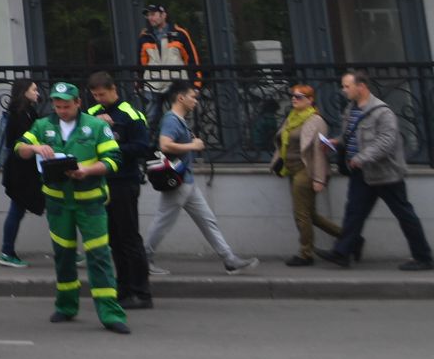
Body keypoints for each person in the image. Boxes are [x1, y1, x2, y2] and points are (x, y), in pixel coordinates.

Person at [15, 82, 129, 333]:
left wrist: (87, 170)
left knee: (99, 256)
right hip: (58, 204)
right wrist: (34, 147)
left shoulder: (97, 127)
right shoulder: (43, 126)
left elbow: (113, 160)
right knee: (64, 256)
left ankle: (110, 313)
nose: (61, 110)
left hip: (90, 203)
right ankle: (66, 306)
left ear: (78, 103)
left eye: (66, 106)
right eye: (57, 106)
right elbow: (20, 149)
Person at [144, 80, 257, 276]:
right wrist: (193, 146)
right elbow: (165, 145)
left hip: (185, 181)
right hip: (178, 182)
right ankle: (143, 259)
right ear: (181, 98)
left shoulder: (179, 119)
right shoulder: (171, 120)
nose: (196, 101)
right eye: (193, 97)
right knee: (163, 222)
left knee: (208, 221)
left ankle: (229, 259)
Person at [323, 72, 432, 271]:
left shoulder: (382, 112)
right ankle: (342, 253)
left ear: (361, 86)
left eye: (347, 86)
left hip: (385, 173)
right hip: (361, 173)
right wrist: (337, 142)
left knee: (404, 214)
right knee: (354, 212)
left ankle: (423, 257)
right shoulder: (351, 109)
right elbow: (350, 135)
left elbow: (386, 141)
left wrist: (362, 157)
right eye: (343, 86)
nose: (343, 90)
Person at [86, 72, 154, 309]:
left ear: (113, 89)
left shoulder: (130, 114)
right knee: (113, 239)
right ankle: (123, 288)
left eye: (102, 94)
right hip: (103, 182)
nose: (98, 99)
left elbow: (143, 147)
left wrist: (112, 144)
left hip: (125, 181)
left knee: (129, 238)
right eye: (95, 95)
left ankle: (141, 292)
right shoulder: (92, 114)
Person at [272, 85, 341, 266]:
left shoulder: (316, 121)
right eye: (293, 96)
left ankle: (305, 253)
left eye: (300, 96)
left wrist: (319, 178)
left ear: (310, 100)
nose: (294, 99)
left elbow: (320, 152)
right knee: (311, 214)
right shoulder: (292, 118)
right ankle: (350, 237)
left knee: (301, 214)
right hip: (291, 168)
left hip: (306, 169)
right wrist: (277, 163)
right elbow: (282, 143)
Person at [0, 78, 45, 267]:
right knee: (18, 209)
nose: (37, 93)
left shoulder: (28, 112)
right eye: (34, 89)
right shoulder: (19, 114)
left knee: (19, 209)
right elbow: (21, 142)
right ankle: (7, 251)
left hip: (25, 170)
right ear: (24, 91)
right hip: (20, 171)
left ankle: (7, 251)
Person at [137, 4, 200, 120]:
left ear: (163, 15)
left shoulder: (179, 33)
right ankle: (156, 138)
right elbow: (141, 62)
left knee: (180, 118)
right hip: (152, 84)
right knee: (151, 119)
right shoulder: (144, 36)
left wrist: (195, 84)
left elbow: (191, 59)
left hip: (176, 82)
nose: (150, 18)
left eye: (153, 14)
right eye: (148, 15)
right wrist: (140, 83)